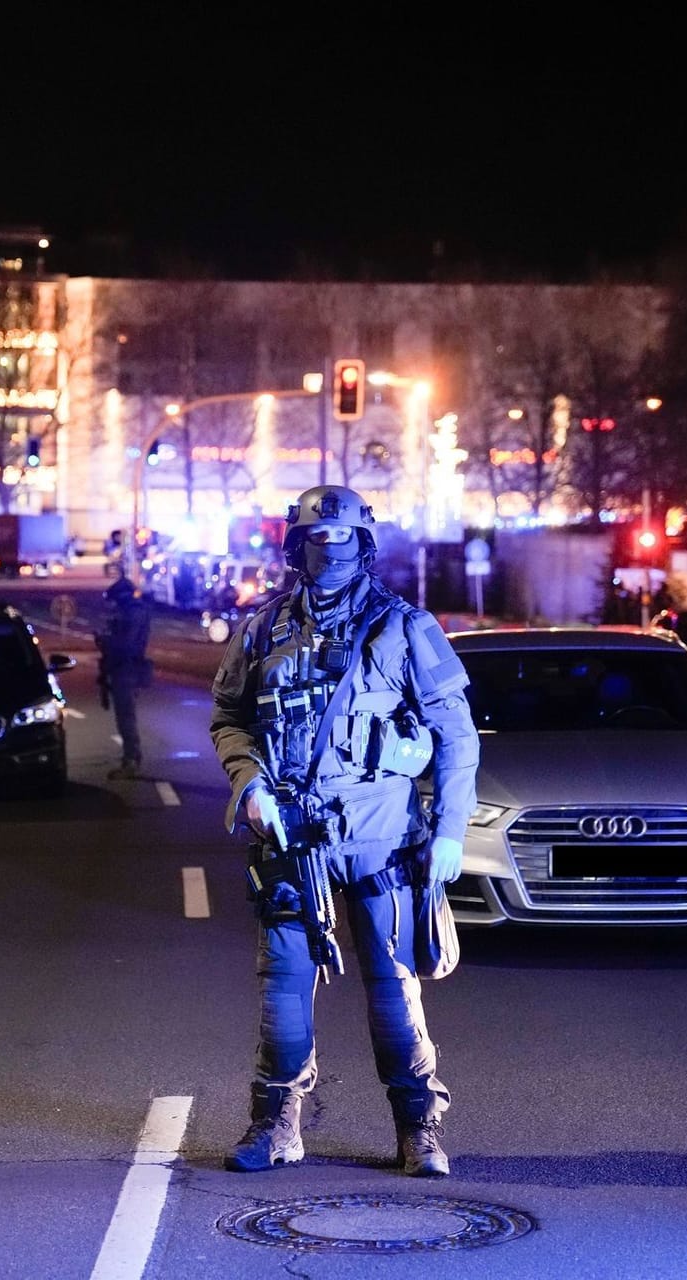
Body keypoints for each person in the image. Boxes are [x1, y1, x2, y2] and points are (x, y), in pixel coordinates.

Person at [210, 484, 479, 1178]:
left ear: (365, 546)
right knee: (284, 990)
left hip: (381, 842)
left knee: (393, 990)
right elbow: (230, 718)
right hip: (291, 843)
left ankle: (418, 1128)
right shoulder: (262, 629)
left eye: (343, 542)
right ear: (295, 549)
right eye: (316, 542)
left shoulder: (404, 627)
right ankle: (276, 1124)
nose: (330, 554)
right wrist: (250, 784)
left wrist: (450, 830)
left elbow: (455, 734)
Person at [95, 573, 152, 779]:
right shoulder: (132, 611)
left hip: (125, 669)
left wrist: (106, 642)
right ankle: (130, 757)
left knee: (126, 717)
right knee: (124, 717)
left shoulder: (132, 613)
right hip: (123, 668)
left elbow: (126, 644)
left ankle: (131, 759)